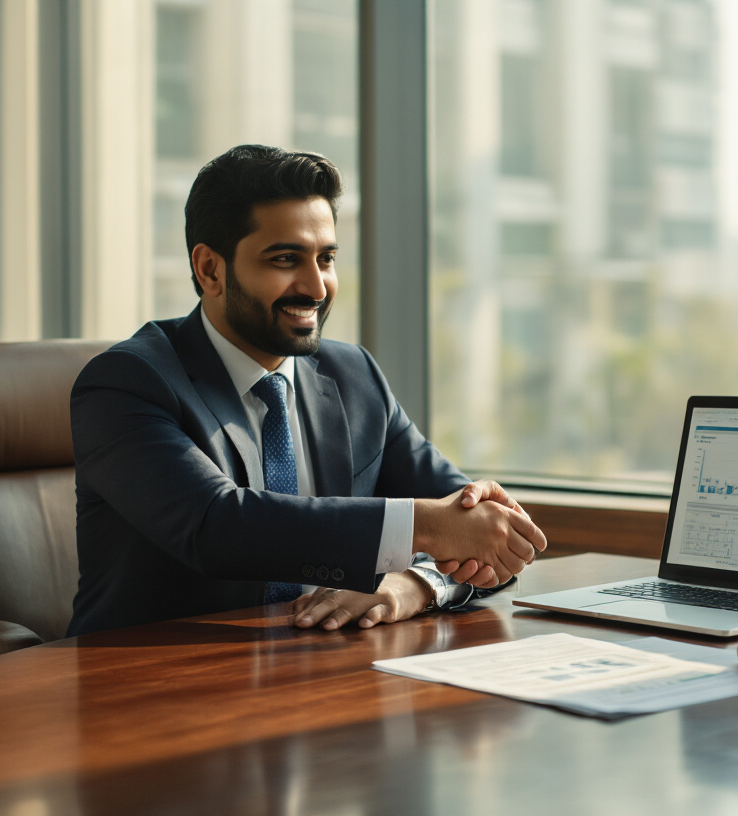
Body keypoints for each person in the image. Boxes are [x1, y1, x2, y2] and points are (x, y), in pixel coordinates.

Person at [67, 145, 546, 638]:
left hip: (323, 673)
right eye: (285, 259)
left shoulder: (354, 375)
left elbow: (479, 534)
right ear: (210, 269)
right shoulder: (125, 384)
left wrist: (412, 585)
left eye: (327, 258)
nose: (317, 287)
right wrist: (423, 525)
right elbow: (217, 527)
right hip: (152, 681)